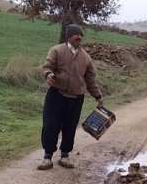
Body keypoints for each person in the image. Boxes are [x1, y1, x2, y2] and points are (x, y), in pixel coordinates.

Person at [37, 24, 103, 170]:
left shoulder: (86, 57)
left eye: (81, 35)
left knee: (70, 128)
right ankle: (47, 158)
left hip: (76, 98)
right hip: (57, 95)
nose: (79, 37)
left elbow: (91, 79)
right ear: (69, 36)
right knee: (50, 125)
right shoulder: (57, 50)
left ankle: (65, 156)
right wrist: (48, 74)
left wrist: (98, 96)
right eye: (76, 34)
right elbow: (47, 67)